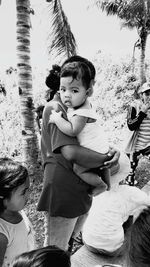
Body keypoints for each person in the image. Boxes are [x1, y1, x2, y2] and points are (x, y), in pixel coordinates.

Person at [37, 55, 120, 252]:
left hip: (78, 189)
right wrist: (105, 158)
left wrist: (110, 151)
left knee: (67, 244)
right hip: (64, 190)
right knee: (55, 250)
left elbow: (89, 140)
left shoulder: (76, 108)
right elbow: (72, 152)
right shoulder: (56, 109)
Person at [49, 61, 112, 196]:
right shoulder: (83, 105)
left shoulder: (81, 113)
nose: (67, 95)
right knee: (103, 168)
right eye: (63, 89)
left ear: (87, 92)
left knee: (79, 169)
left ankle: (101, 185)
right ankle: (108, 182)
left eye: (74, 90)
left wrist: (57, 119)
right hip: (100, 147)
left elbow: (72, 130)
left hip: (95, 150)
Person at [82, 182, 150, 257]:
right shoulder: (131, 192)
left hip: (89, 243)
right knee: (137, 216)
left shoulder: (95, 190)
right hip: (115, 250)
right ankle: (122, 240)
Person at [0, 158, 36, 267]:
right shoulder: (2, 233)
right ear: (3, 197)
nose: (28, 195)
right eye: (24, 192)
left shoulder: (17, 211)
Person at [123, 81, 150, 186]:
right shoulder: (134, 106)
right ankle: (129, 178)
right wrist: (143, 112)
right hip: (134, 145)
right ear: (141, 95)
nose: (149, 97)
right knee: (130, 170)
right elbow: (131, 125)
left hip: (148, 144)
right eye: (147, 94)